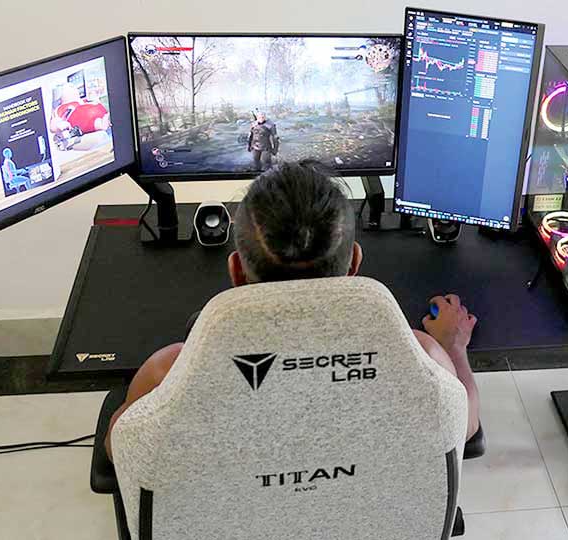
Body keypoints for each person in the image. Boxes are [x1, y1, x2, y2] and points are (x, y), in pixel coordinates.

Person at [106, 161, 482, 459]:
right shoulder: (418, 355)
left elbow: (117, 447)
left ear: (236, 271)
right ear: (353, 263)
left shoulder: (172, 370)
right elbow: (465, 425)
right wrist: (454, 350)